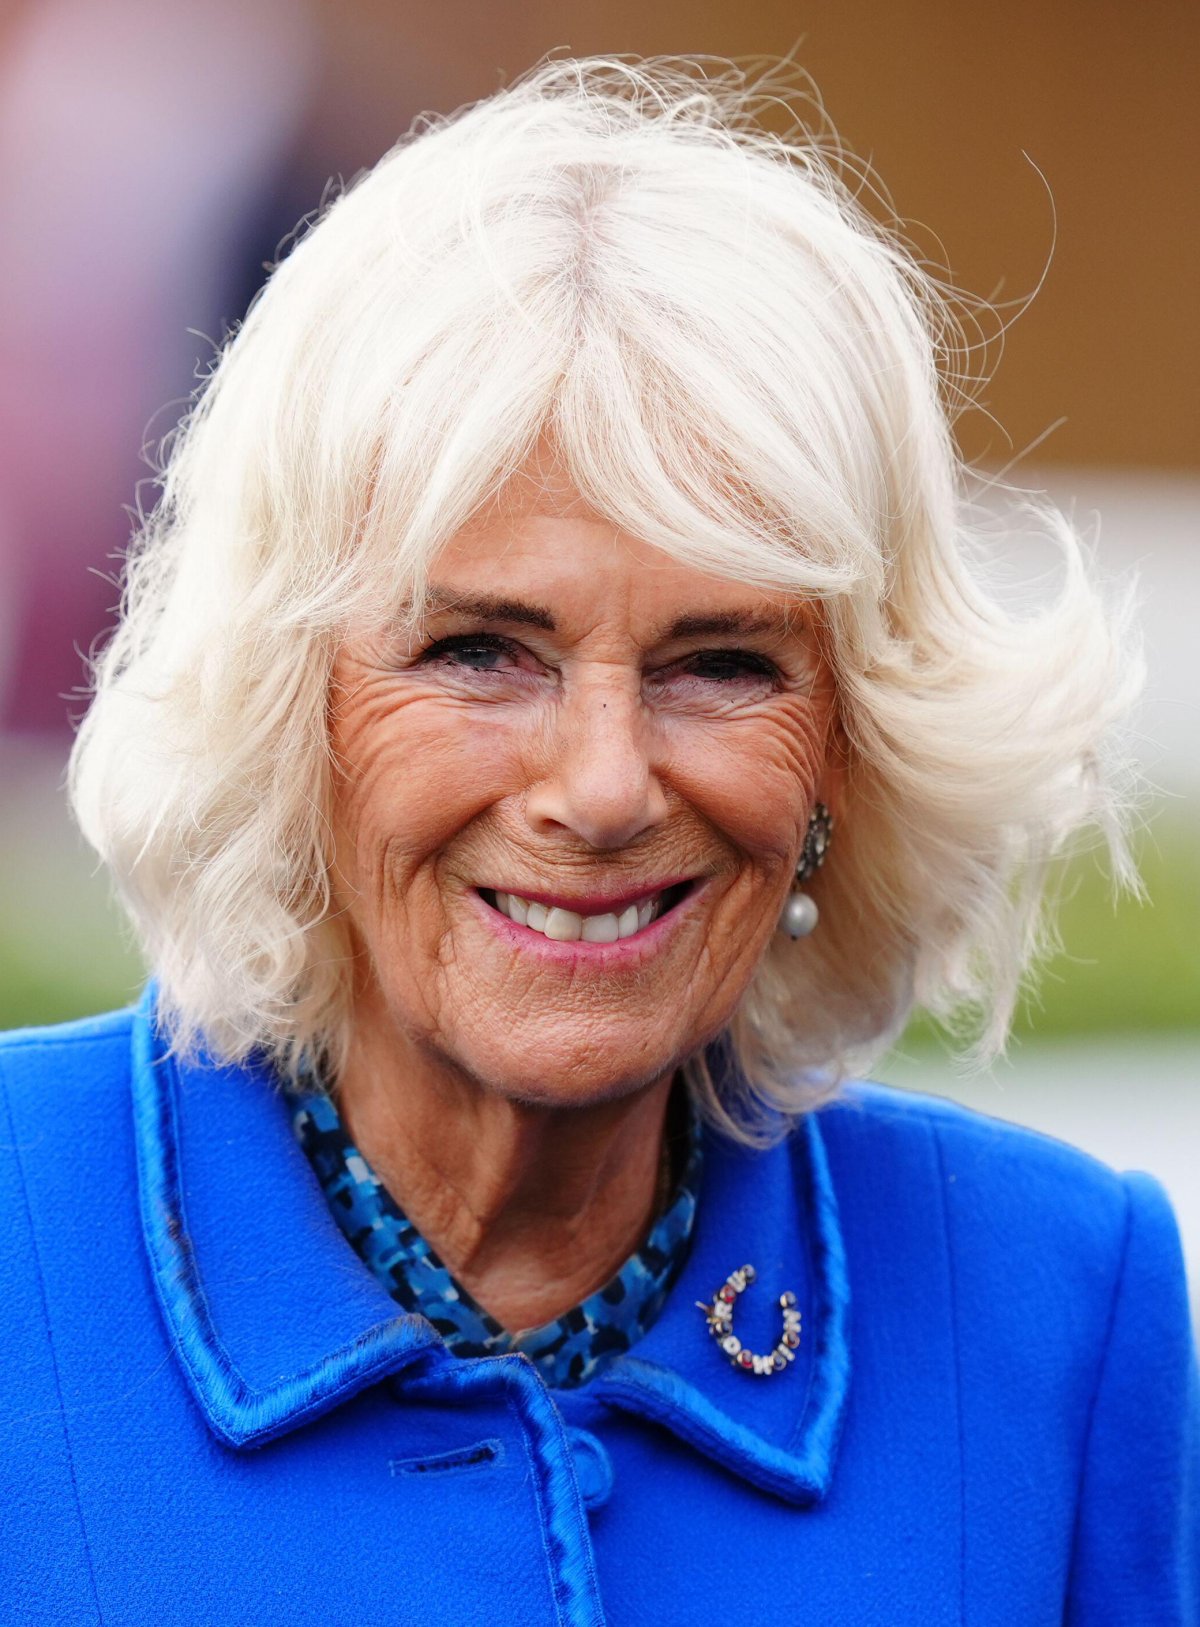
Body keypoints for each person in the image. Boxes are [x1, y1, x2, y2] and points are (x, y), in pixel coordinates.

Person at [0, 57, 1195, 1626]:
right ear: (291, 708)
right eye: (481, 651)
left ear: (853, 744)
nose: (603, 784)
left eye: (724, 663)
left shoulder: (1060, 1308)